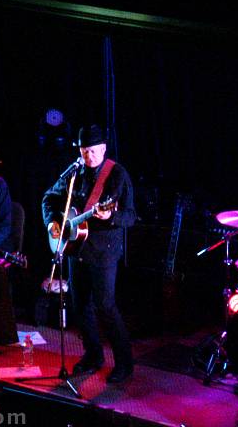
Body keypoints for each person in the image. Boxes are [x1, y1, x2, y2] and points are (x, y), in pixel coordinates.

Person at [42, 125, 136, 383]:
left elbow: (131, 216)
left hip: (104, 251)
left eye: (93, 151)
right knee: (80, 305)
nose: (89, 157)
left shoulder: (117, 175)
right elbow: (48, 198)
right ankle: (93, 356)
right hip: (75, 248)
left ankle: (125, 363)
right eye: (84, 152)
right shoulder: (74, 172)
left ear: (104, 149)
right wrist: (52, 222)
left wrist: (111, 215)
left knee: (106, 305)